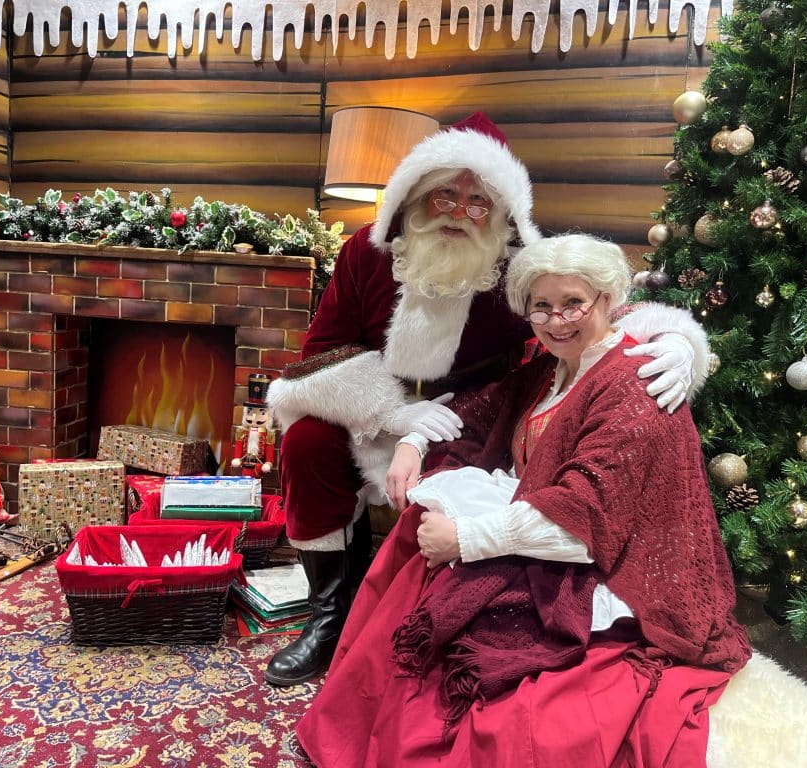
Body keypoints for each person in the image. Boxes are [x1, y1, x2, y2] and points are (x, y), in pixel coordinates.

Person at [264, 112, 712, 687]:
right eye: (445, 195)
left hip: (471, 417)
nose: (458, 212)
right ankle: (328, 615)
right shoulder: (367, 252)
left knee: (445, 485)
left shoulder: (516, 264)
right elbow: (321, 351)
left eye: (478, 202)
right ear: (416, 193)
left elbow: (588, 309)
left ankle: (395, 615)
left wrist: (674, 337)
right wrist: (391, 413)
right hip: (371, 409)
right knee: (305, 441)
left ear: (501, 209)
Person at [295, 233, 752, 767]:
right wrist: (413, 440)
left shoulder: (632, 385)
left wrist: (466, 538)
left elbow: (587, 520)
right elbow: (482, 408)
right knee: (424, 532)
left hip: (604, 562)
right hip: (549, 530)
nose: (557, 321)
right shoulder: (555, 366)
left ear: (607, 300)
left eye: (573, 303)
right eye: (542, 306)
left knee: (508, 700)